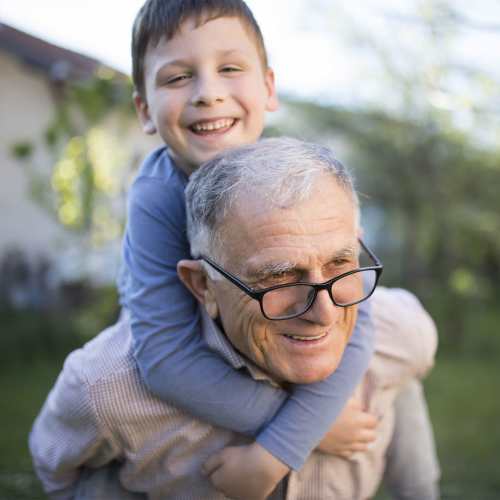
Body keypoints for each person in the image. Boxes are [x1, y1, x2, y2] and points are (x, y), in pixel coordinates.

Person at [29, 138, 439, 499]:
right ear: (203, 286)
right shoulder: (107, 388)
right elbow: (59, 471)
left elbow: (407, 396)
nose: (323, 314)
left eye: (339, 263)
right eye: (279, 276)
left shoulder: (401, 333)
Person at [117, 0, 376, 496]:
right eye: (176, 78)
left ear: (269, 88)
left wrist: (284, 442)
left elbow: (360, 318)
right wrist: (295, 436)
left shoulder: (296, 178)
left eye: (230, 69)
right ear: (145, 110)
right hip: (206, 360)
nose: (208, 94)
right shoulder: (156, 198)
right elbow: (166, 357)